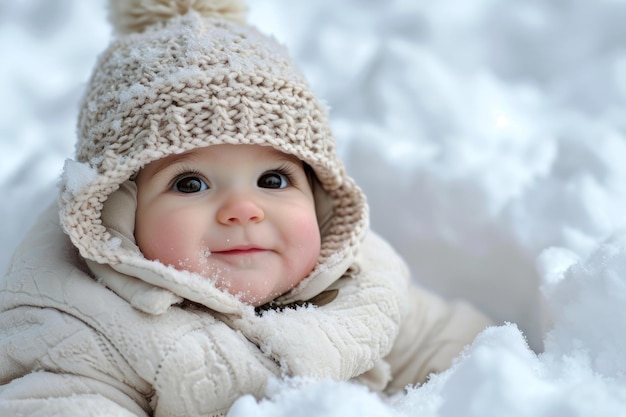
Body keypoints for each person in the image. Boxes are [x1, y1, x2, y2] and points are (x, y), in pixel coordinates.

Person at [0, 1, 492, 415]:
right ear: (117, 208)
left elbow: (471, 358)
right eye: (190, 183)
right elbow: (58, 401)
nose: (242, 210)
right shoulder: (79, 319)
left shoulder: (361, 284)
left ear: (319, 195)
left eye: (273, 179)